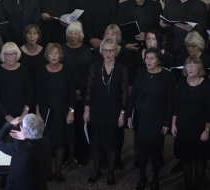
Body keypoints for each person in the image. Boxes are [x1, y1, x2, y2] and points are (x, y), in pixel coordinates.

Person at [126, 47, 175, 190]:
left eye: (152, 58)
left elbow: (170, 101)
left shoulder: (166, 75)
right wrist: (129, 115)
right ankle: (142, 178)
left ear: (158, 60)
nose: (148, 61)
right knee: (141, 151)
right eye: (147, 58)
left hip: (158, 119)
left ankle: (155, 180)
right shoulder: (141, 73)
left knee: (156, 152)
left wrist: (167, 122)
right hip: (141, 118)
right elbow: (133, 96)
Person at [83, 38, 128, 185]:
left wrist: (122, 113)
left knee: (112, 143)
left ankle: (110, 173)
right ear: (101, 51)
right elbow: (89, 90)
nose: (108, 53)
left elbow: (123, 93)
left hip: (114, 111)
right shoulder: (95, 67)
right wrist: (87, 109)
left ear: (116, 52)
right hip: (96, 110)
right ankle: (96, 170)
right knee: (95, 142)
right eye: (105, 50)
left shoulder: (122, 69)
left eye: (111, 50)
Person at [0, 42, 33, 188]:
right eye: (7, 54)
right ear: (3, 55)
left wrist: (25, 111)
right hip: (2, 114)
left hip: (20, 113)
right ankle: (5, 175)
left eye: (13, 53)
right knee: (5, 144)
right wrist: (7, 117)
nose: (10, 57)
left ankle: (19, 173)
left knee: (20, 144)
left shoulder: (23, 69)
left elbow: (29, 92)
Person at [36, 43, 75, 182]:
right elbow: (37, 93)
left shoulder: (67, 71)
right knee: (47, 144)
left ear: (60, 55)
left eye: (56, 53)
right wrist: (37, 111)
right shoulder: (41, 71)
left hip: (62, 111)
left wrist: (71, 111)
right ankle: (48, 171)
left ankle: (58, 171)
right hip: (46, 112)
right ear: (47, 56)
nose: (54, 56)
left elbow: (71, 93)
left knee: (60, 143)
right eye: (51, 53)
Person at [171, 55, 210, 190]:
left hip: (200, 128)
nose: (190, 68)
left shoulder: (206, 84)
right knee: (185, 158)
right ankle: (188, 186)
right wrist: (173, 124)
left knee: (199, 160)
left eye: (193, 65)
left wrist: (207, 130)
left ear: (200, 68)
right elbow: (177, 104)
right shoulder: (182, 82)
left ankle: (198, 186)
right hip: (183, 126)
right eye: (188, 65)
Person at [61, 21, 92, 166]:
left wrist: (79, 91)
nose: (72, 36)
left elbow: (88, 74)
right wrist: (71, 92)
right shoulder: (61, 50)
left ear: (80, 35)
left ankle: (81, 155)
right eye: (70, 33)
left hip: (81, 94)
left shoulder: (86, 50)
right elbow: (60, 71)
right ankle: (64, 155)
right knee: (64, 126)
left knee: (80, 126)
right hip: (64, 93)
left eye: (75, 33)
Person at [0, 114, 50, 190]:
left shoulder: (19, 147)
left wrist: (9, 124)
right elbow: (34, 142)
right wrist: (25, 137)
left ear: (23, 130)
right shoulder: (47, 141)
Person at [18, 24, 46, 106]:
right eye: (29, 33)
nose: (32, 36)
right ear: (25, 35)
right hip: (23, 88)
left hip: (40, 87)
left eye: (35, 33)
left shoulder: (44, 52)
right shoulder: (19, 51)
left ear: (38, 36)